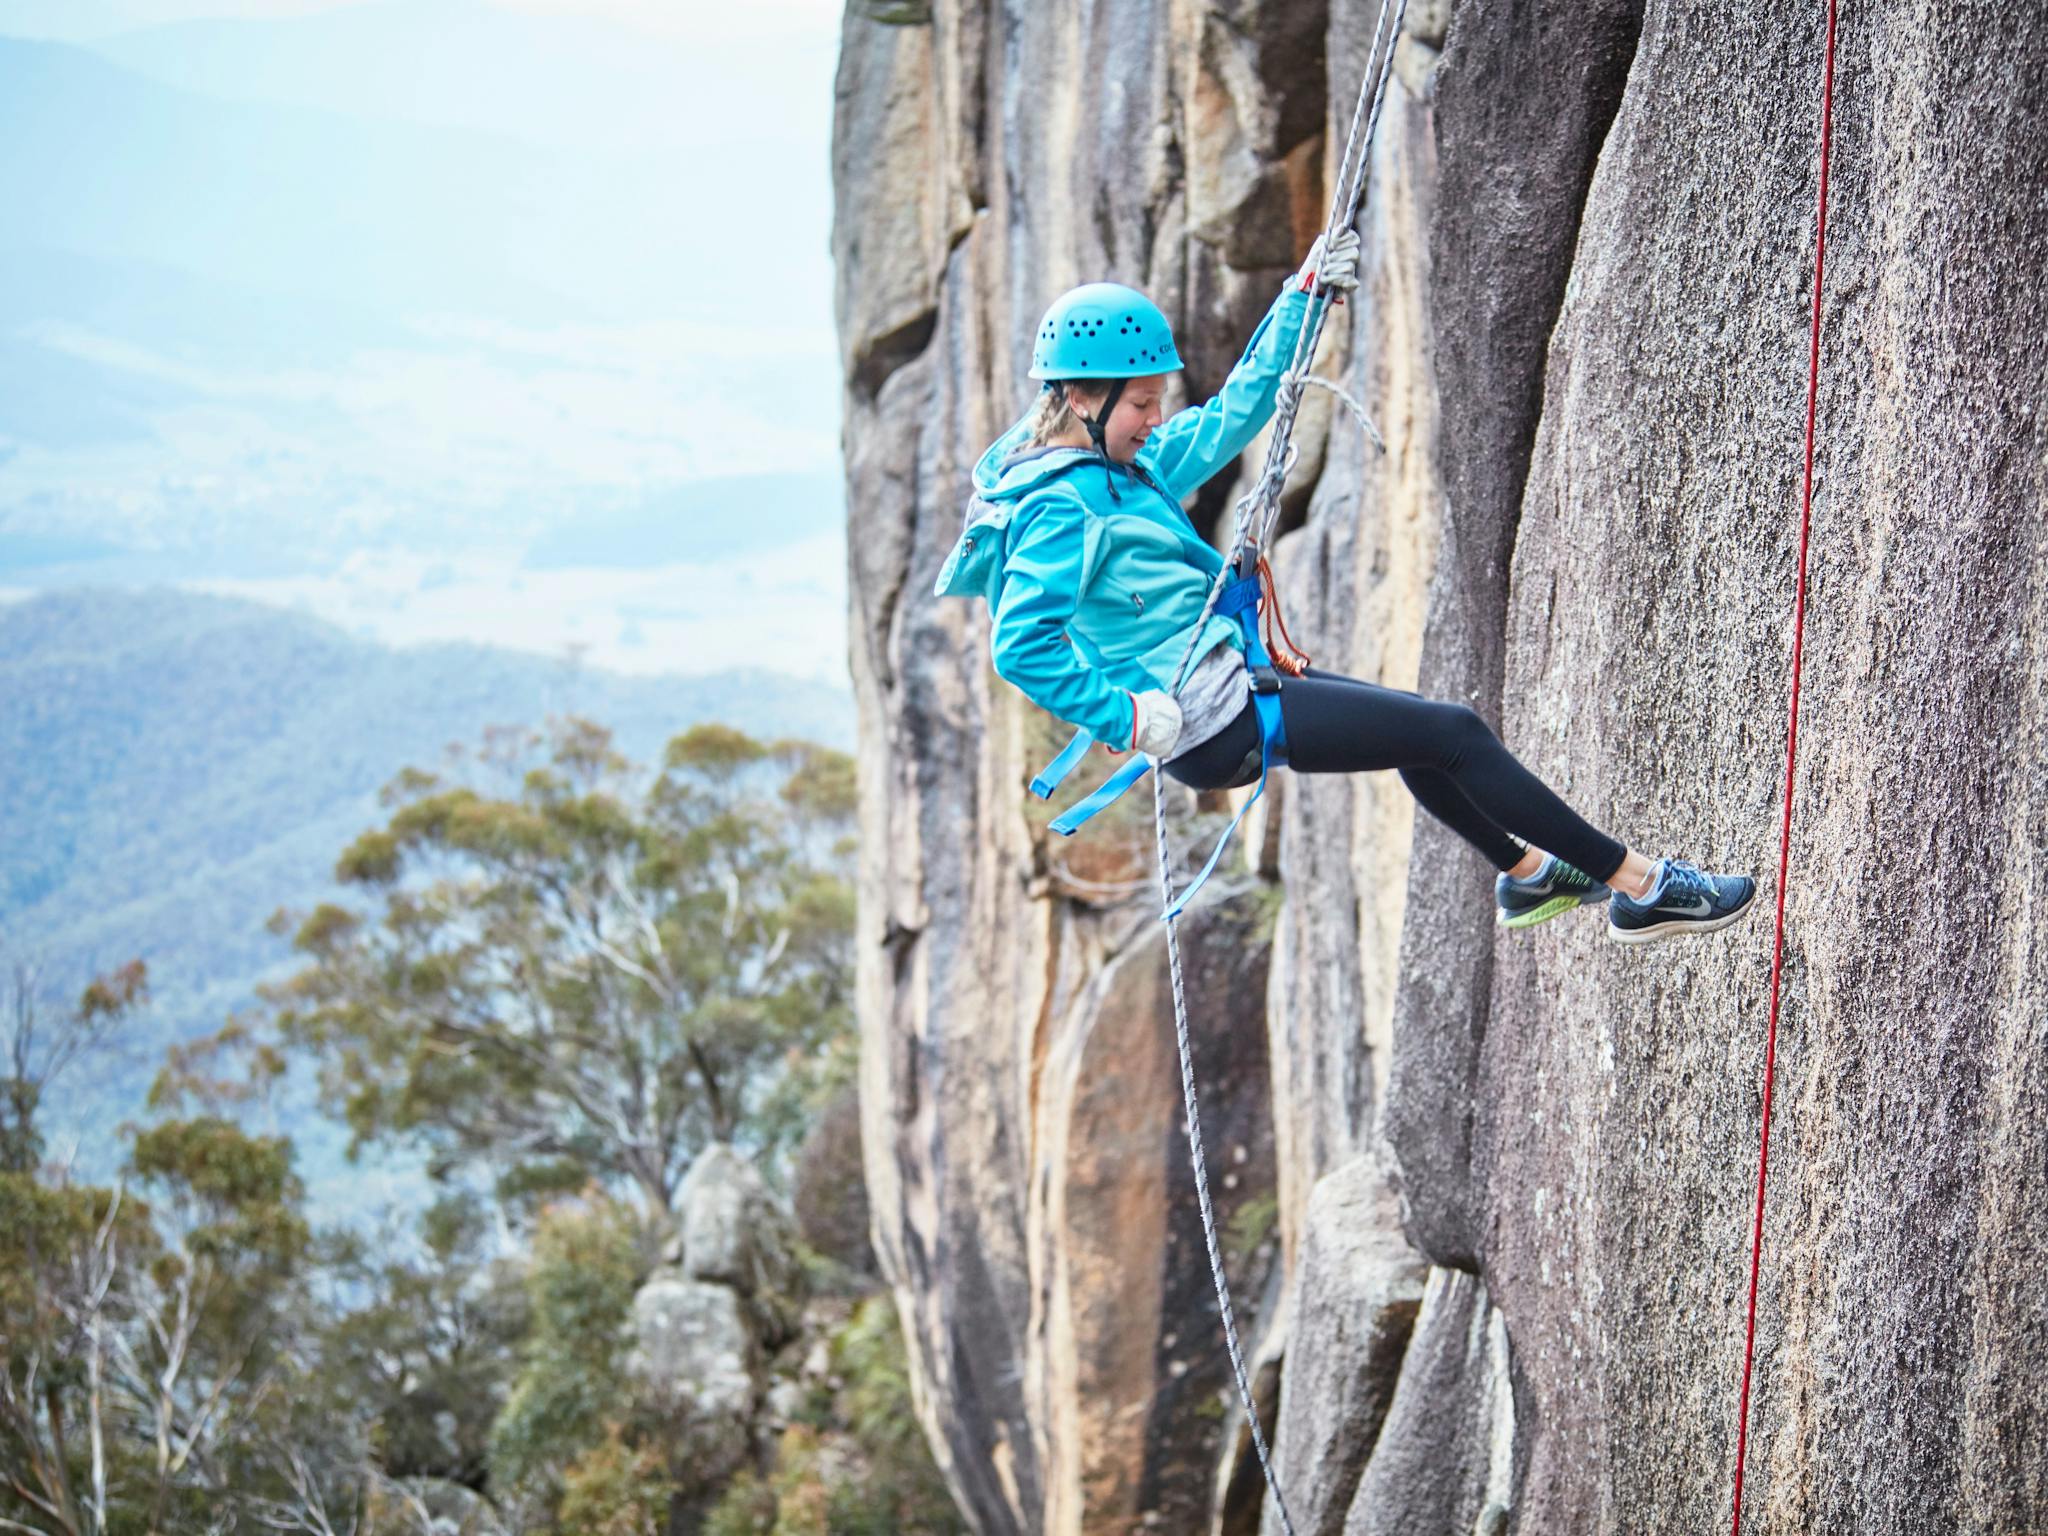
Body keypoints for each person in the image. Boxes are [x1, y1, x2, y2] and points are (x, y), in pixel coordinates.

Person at [933, 233, 1756, 943]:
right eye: (1140, 403)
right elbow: (1020, 644)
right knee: (1454, 734)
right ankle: (1644, 888)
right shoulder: (1058, 506)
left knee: (1423, 740)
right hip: (1211, 720)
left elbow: (1235, 413)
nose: (1154, 419)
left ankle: (1530, 873)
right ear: (1081, 396)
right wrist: (1126, 716)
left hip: (1230, 686)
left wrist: (1303, 299)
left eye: (1156, 403)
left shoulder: (1123, 470)